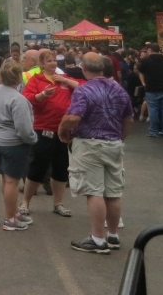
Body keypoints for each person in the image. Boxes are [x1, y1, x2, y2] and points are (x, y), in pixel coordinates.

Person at [58, 52, 135, 254]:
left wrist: (62, 128)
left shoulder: (84, 90)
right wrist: (120, 137)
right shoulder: (118, 89)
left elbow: (74, 117)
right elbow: (128, 119)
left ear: (83, 68)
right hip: (113, 142)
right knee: (113, 192)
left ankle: (98, 239)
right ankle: (113, 235)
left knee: (94, 192)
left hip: (90, 143)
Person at [20, 49, 79, 218]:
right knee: (37, 166)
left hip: (63, 130)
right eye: (49, 61)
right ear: (41, 64)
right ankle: (25, 202)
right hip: (43, 128)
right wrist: (43, 94)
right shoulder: (36, 80)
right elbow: (26, 98)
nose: (53, 63)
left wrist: (65, 80)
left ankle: (58, 203)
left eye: (54, 60)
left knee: (61, 168)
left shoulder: (64, 79)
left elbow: (84, 88)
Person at [0, 59, 37, 231]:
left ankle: (13, 212)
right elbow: (24, 129)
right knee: (12, 181)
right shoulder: (18, 99)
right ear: (18, 77)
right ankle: (10, 218)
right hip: (13, 144)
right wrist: (33, 139)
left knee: (6, 179)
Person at [137, 42, 163, 137]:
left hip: (151, 88)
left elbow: (140, 72)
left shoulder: (145, 61)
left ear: (150, 50)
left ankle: (154, 131)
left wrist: (143, 83)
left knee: (153, 110)